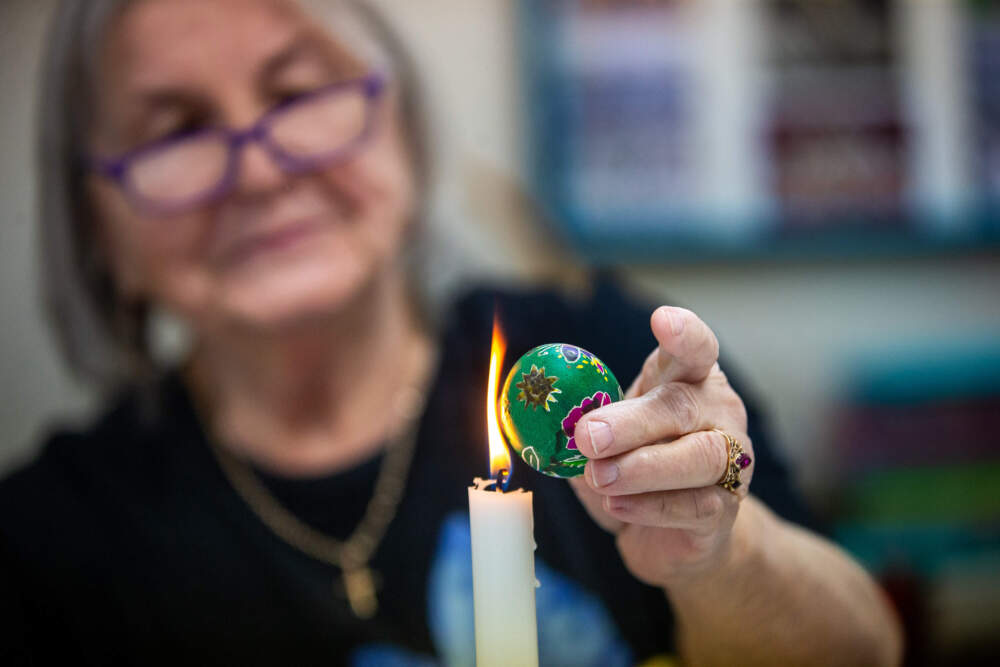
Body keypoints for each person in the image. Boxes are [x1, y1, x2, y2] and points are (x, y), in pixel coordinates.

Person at [0, 0, 902, 665]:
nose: (259, 166)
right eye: (178, 129)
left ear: (399, 127)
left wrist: (718, 550)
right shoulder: (49, 536)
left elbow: (866, 650)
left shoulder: (617, 363)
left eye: (298, 91)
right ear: (98, 225)